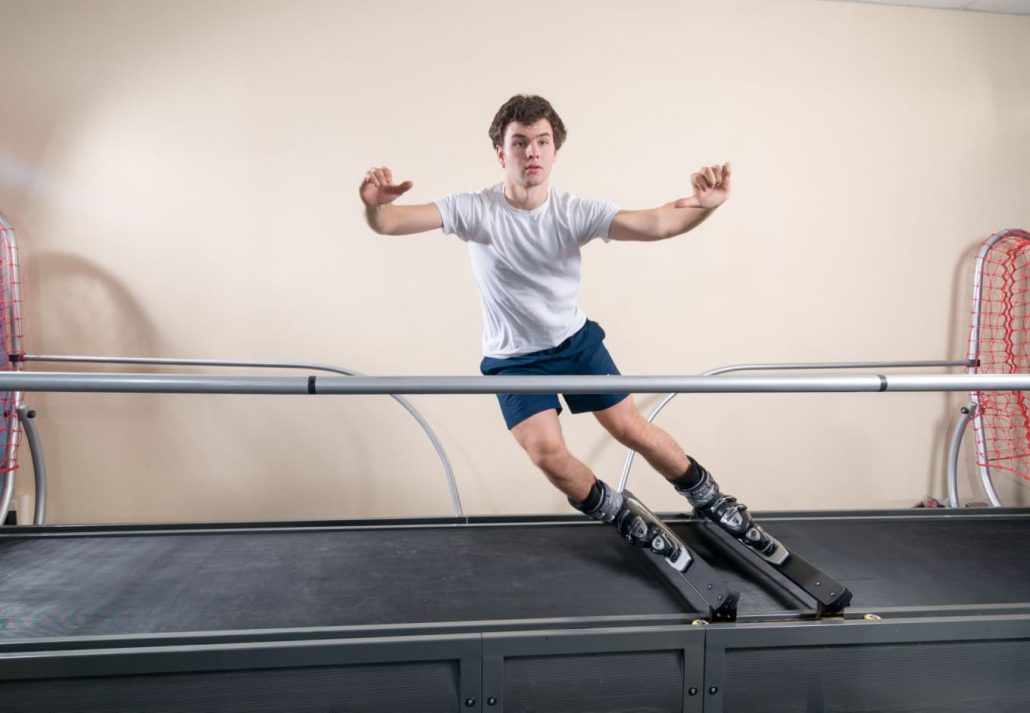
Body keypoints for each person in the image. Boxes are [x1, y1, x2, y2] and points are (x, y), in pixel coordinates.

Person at [360, 94, 778, 559]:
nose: (532, 152)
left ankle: (710, 499)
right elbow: (393, 222)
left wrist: (708, 206)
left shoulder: (572, 211)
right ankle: (624, 516)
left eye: (542, 141)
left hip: (574, 344)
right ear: (502, 153)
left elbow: (656, 223)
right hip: (513, 359)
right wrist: (377, 207)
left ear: (555, 150)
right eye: (520, 143)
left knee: (631, 429)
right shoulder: (474, 209)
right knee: (547, 456)